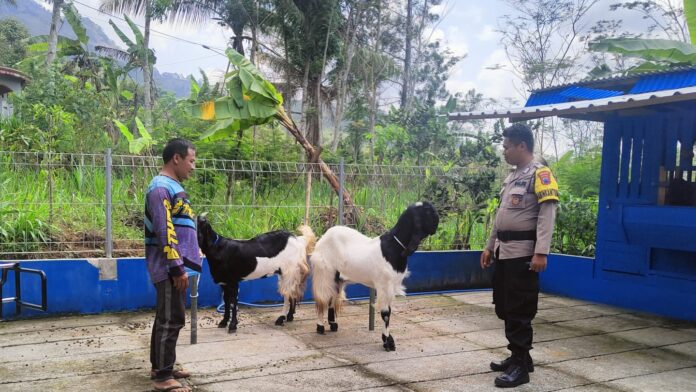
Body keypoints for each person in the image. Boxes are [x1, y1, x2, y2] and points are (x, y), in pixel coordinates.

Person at [480, 123, 559, 388]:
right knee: (504, 306)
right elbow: (500, 217)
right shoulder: (512, 177)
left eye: (506, 147)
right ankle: (519, 357)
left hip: (524, 254)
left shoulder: (541, 174)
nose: (504, 152)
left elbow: (547, 215)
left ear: (521, 146)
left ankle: (520, 366)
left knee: (519, 309)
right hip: (504, 252)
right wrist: (490, 246)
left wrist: (541, 253)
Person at [145, 138, 201, 392]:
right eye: (191, 161)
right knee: (172, 319)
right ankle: (163, 377)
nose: (193, 166)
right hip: (170, 268)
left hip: (175, 266)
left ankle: (161, 366)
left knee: (165, 317)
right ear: (176, 158)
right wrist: (177, 267)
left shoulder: (171, 186)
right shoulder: (160, 187)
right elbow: (163, 228)